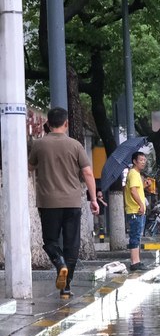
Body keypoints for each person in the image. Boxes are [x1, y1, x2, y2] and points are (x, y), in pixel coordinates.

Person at [27, 107, 99, 299]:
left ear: (48, 123)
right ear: (66, 123)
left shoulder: (39, 145)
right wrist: (93, 199)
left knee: (50, 241)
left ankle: (60, 264)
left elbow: (30, 167)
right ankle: (66, 288)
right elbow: (88, 173)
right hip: (73, 202)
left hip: (48, 202)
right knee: (71, 244)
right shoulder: (75, 145)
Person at [124, 151, 150, 271]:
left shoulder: (136, 174)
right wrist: (141, 204)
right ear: (134, 161)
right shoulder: (134, 173)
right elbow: (133, 191)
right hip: (135, 210)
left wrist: (145, 185)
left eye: (144, 160)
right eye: (141, 160)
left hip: (137, 210)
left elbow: (136, 189)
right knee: (135, 236)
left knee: (137, 235)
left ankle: (137, 261)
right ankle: (134, 263)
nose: (143, 162)